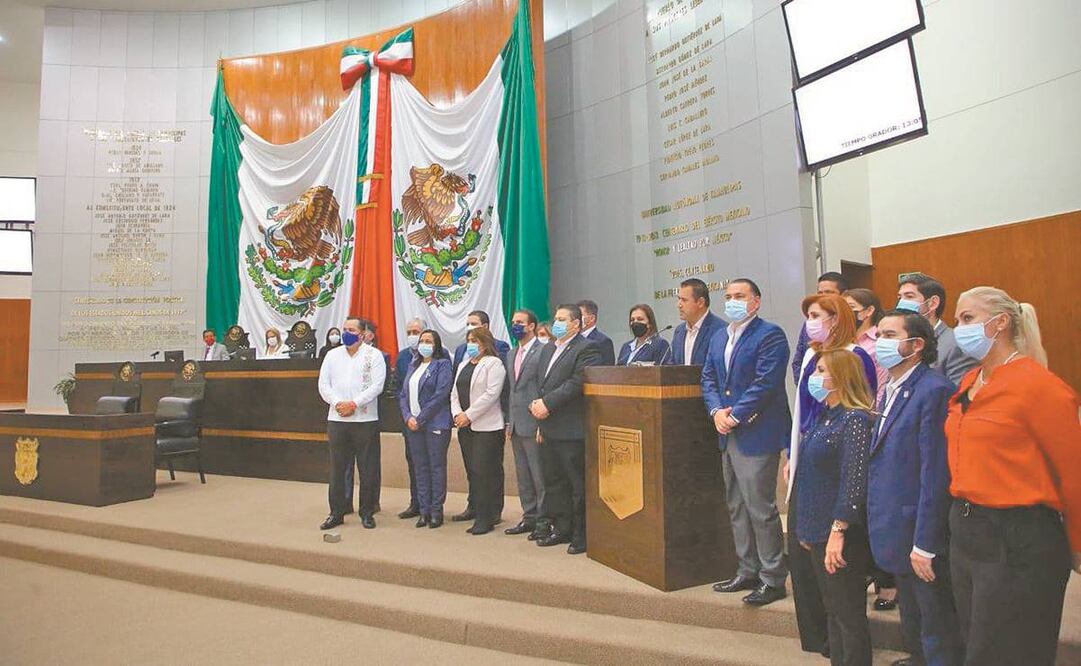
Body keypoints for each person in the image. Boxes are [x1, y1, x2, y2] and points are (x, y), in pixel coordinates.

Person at [945, 286, 1080, 666]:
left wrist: (1077, 544)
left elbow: (1072, 472)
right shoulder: (970, 381)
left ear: (1000, 322)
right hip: (968, 531)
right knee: (976, 645)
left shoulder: (1039, 386)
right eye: (957, 320)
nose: (959, 329)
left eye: (968, 319)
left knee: (1009, 652)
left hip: (1019, 537)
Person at [867, 311, 962, 666]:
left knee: (935, 619)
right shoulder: (890, 387)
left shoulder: (934, 390)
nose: (881, 342)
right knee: (913, 614)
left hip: (920, 530)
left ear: (916, 345)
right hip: (895, 525)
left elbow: (935, 472)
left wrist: (926, 541)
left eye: (890, 334)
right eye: (878, 334)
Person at [787, 293, 878, 657]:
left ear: (841, 377)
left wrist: (837, 532)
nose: (814, 376)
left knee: (847, 615)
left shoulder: (854, 418)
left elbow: (853, 480)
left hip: (838, 531)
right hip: (816, 524)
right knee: (833, 613)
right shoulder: (825, 416)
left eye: (823, 372)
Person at [701, 279, 790, 606]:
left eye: (740, 296)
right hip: (726, 432)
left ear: (756, 302)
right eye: (728, 297)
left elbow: (765, 383)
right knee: (736, 505)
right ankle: (747, 569)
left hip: (756, 432)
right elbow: (708, 377)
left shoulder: (770, 335)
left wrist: (734, 415)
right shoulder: (718, 336)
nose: (733, 301)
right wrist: (715, 412)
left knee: (760, 508)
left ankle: (772, 577)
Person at [530, 304, 601, 554]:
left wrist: (547, 404)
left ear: (576, 324)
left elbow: (577, 382)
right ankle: (562, 529)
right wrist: (541, 418)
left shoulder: (587, 348)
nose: (556, 323)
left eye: (562, 319)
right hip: (548, 428)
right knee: (554, 484)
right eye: (556, 318)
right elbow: (543, 385)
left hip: (572, 431)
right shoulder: (549, 348)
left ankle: (581, 536)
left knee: (576, 486)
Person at [844, 287, 896, 612]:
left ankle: (887, 580)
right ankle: (866, 569)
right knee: (855, 511)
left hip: (874, 430)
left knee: (875, 511)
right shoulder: (844, 345)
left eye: (852, 307)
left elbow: (880, 392)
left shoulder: (880, 346)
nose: (846, 312)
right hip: (849, 431)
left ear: (868, 312)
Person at [317, 317, 386, 531]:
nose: (347, 333)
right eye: (344, 329)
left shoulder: (373, 355)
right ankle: (336, 512)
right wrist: (339, 403)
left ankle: (367, 512)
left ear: (363, 333)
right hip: (337, 419)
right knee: (338, 468)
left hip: (364, 419)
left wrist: (354, 404)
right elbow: (323, 384)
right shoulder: (332, 355)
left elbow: (377, 386)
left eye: (352, 330)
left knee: (368, 468)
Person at [450, 309, 510, 522]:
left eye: (475, 340)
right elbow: (454, 391)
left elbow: (491, 394)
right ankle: (473, 507)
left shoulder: (494, 363)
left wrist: (469, 415)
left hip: (487, 426)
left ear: (484, 343)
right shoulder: (464, 363)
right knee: (472, 470)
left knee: (486, 470)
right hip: (465, 425)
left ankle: (488, 516)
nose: (471, 344)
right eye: (468, 340)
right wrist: (457, 414)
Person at [398, 329, 453, 528]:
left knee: (436, 468)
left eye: (428, 341)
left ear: (436, 345)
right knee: (420, 468)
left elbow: (440, 395)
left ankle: (436, 511)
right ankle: (424, 510)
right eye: (422, 340)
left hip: (435, 423)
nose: (424, 344)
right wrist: (408, 417)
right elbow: (403, 395)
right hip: (413, 425)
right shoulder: (414, 365)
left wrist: (420, 419)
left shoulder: (442, 364)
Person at [503, 308, 548, 539]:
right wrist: (509, 422)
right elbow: (513, 391)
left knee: (539, 476)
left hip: (535, 424)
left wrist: (543, 424)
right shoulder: (511, 354)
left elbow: (543, 389)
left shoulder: (543, 351)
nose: (516, 326)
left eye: (520, 322)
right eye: (513, 322)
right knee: (523, 476)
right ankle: (528, 517)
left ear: (531, 326)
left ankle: (543, 521)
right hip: (517, 425)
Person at [896, 273, 977, 386]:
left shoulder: (956, 344)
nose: (901, 303)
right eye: (900, 298)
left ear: (933, 303)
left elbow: (956, 395)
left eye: (909, 297)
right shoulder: (900, 341)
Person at [791, 272, 849, 384]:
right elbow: (798, 361)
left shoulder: (851, 325)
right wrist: (807, 386)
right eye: (820, 293)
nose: (823, 297)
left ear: (844, 295)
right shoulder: (810, 324)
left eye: (829, 292)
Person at [394, 317, 426, 520]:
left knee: (430, 463)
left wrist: (422, 415)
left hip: (430, 419)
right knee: (413, 461)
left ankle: (429, 505)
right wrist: (407, 414)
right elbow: (398, 388)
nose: (412, 336)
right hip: (409, 420)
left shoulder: (438, 355)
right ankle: (415, 503)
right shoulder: (403, 356)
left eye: (416, 332)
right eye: (409, 332)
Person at [669, 278, 722, 365]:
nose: (679, 305)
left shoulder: (719, 330)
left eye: (684, 300)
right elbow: (672, 365)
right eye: (679, 299)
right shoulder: (679, 331)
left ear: (700, 302)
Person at [578, 299, 615, 366]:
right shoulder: (574, 340)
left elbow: (608, 369)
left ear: (592, 318)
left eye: (579, 316)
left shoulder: (603, 341)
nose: (576, 319)